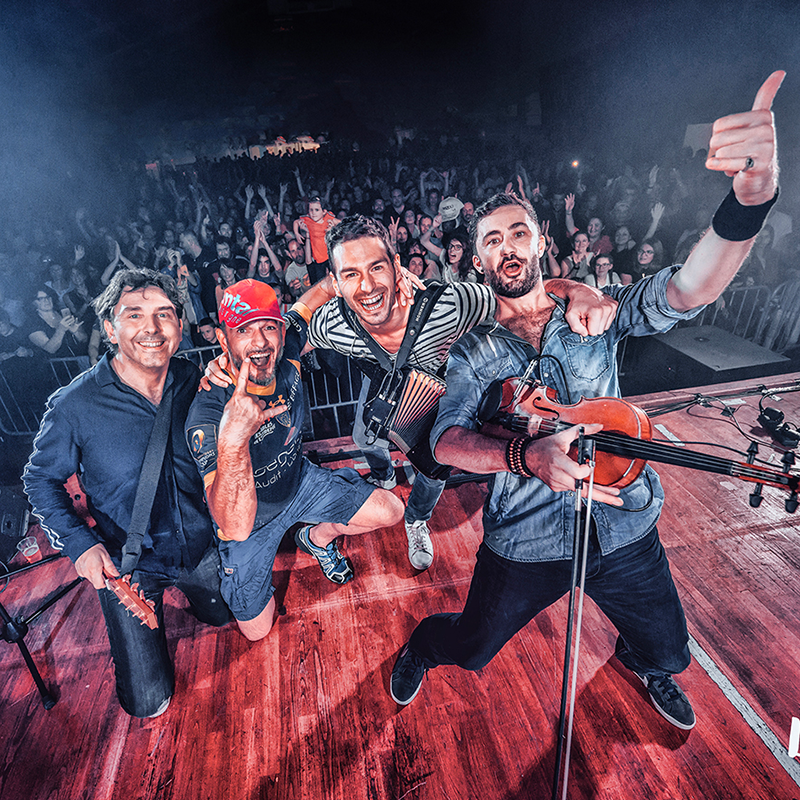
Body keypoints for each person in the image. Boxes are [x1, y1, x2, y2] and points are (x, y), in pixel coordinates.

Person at [389, 72, 785, 733]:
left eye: (517, 233)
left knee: (670, 652)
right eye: (492, 240)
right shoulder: (470, 348)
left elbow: (687, 289)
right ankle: (422, 649)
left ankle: (642, 661)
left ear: (541, 238)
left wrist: (750, 200)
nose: (507, 248)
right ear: (477, 260)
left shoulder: (594, 309)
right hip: (526, 540)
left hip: (624, 522)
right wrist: (523, 456)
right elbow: (446, 441)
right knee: (470, 645)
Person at [23, 269, 232, 718]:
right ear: (109, 328)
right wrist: (80, 545)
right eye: (134, 315)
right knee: (149, 703)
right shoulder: (74, 405)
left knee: (227, 618)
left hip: (199, 546)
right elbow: (39, 480)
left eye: (164, 314)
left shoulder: (190, 377)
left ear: (179, 325)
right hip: (130, 564)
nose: (151, 328)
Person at [185, 280, 403, 642]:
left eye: (268, 327)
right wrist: (235, 438)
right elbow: (235, 527)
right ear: (223, 340)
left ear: (282, 330)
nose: (259, 341)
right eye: (243, 331)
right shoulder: (207, 412)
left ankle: (316, 538)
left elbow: (313, 298)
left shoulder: (287, 349)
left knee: (391, 510)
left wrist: (348, 280)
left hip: (300, 483)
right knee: (257, 631)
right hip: (251, 523)